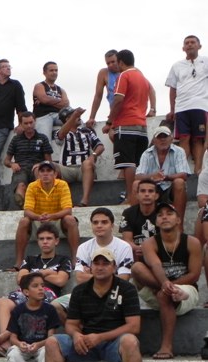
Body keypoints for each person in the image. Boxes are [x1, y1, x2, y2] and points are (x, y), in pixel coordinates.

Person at [43, 248, 143, 362]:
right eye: (96, 263)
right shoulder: (80, 290)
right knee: (52, 342)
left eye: (106, 263)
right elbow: (71, 324)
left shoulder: (126, 289)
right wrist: (76, 336)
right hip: (87, 343)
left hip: (113, 343)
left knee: (130, 341)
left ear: (114, 267)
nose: (100, 267)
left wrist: (101, 337)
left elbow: (134, 326)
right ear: (89, 267)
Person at [131, 202, 201, 359]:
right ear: (156, 221)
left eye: (169, 213)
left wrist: (173, 287)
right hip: (158, 285)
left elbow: (195, 275)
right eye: (160, 215)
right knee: (136, 268)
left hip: (187, 289)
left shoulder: (192, 242)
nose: (164, 217)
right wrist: (165, 284)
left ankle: (167, 347)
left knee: (164, 295)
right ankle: (169, 292)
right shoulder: (149, 242)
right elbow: (155, 264)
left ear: (178, 220)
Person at [0, 223, 71, 357]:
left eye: (49, 238)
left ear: (56, 241)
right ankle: (7, 343)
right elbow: (21, 279)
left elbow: (60, 280)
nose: (45, 242)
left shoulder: (63, 260)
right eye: (41, 239)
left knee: (35, 298)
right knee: (2, 302)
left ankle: (3, 338)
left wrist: (35, 275)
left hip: (47, 293)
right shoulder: (30, 259)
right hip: (26, 292)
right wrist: (46, 273)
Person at [52, 207, 134, 323]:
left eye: (104, 222)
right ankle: (79, 333)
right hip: (87, 293)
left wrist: (92, 275)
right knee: (55, 306)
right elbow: (80, 278)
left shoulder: (124, 247)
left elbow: (123, 279)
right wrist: (110, 276)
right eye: (95, 222)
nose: (99, 225)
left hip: (115, 293)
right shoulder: (83, 247)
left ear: (112, 226)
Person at [4, 272, 60, 362]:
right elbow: (13, 337)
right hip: (23, 346)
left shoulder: (50, 309)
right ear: (26, 292)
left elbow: (51, 337)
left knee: (46, 354)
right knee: (13, 355)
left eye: (42, 285)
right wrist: (19, 344)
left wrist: (39, 345)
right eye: (36, 286)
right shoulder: (18, 310)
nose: (41, 289)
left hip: (41, 345)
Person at [102, 50, 151, 205]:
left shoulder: (124, 75)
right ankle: (140, 196)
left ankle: (131, 197)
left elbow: (118, 100)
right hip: (142, 125)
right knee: (139, 163)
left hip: (126, 124)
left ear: (121, 62)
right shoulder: (142, 77)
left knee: (128, 163)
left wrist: (109, 122)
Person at [13, 161, 78, 270]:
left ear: (55, 174)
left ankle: (75, 260)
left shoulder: (62, 185)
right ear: (38, 175)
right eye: (42, 171)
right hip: (39, 221)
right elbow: (27, 211)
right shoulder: (32, 186)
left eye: (49, 171)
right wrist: (38, 217)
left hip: (56, 221)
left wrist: (52, 216)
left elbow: (68, 210)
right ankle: (18, 262)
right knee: (24, 221)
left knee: (70, 220)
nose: (45, 174)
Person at [165, 35, 208, 173]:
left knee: (198, 139)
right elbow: (173, 89)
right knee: (184, 138)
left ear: (199, 46)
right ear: (183, 48)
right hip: (181, 107)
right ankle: (182, 170)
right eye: (187, 43)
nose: (190, 45)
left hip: (200, 105)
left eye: (192, 42)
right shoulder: (176, 66)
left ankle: (198, 170)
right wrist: (172, 109)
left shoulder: (206, 62)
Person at [87, 49, 157, 131]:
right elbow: (98, 96)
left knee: (116, 134)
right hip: (115, 113)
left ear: (120, 61)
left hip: (133, 113)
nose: (110, 65)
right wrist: (92, 117)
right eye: (108, 63)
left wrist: (153, 109)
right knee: (113, 134)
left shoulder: (132, 71)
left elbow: (151, 89)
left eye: (113, 62)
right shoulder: (104, 73)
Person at [135, 125, 191, 224]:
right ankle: (136, 222)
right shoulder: (147, 153)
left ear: (171, 138)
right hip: (153, 187)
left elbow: (184, 174)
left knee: (179, 182)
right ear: (154, 140)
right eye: (159, 137)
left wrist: (166, 177)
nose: (162, 139)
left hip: (170, 188)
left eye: (165, 136)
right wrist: (152, 177)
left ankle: (178, 224)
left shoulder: (179, 151)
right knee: (136, 184)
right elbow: (138, 176)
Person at [56, 106, 105, 207]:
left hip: (84, 169)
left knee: (87, 163)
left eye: (77, 115)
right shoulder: (61, 132)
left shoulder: (87, 131)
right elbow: (61, 135)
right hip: (66, 169)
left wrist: (93, 155)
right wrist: (75, 115)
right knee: (49, 166)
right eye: (74, 115)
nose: (79, 117)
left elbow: (100, 146)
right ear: (67, 119)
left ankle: (84, 201)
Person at [4, 112, 53, 207]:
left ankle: (42, 205)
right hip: (21, 168)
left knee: (39, 177)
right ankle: (24, 209)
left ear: (35, 122)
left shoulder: (43, 138)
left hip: (38, 167)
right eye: (26, 123)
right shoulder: (16, 140)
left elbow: (49, 162)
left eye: (31, 122)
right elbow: (6, 161)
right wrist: (12, 164)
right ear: (21, 124)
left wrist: (41, 164)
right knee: (20, 187)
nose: (29, 125)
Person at [118, 179, 159, 261]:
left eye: (150, 191)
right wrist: (139, 248)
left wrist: (149, 250)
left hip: (159, 253)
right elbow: (127, 240)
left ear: (156, 196)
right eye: (143, 191)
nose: (146, 194)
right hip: (137, 252)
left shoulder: (162, 212)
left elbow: (169, 239)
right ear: (137, 195)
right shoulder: (128, 213)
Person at [32, 61, 70, 143]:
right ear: (44, 72)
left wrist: (48, 101)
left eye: (56, 70)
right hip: (43, 115)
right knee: (44, 142)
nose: (54, 72)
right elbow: (44, 99)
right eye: (51, 70)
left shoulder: (61, 90)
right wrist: (59, 102)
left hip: (58, 115)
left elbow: (66, 105)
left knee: (75, 120)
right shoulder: (39, 86)